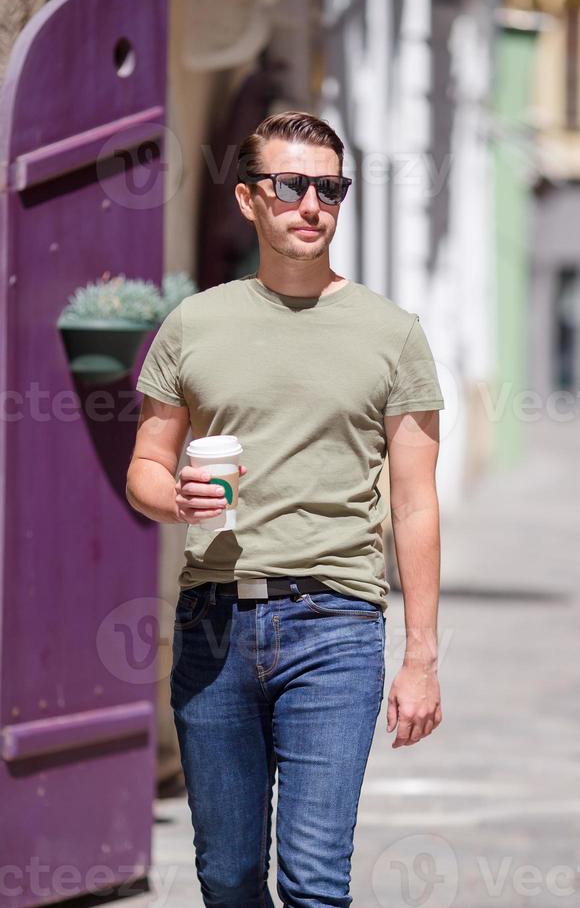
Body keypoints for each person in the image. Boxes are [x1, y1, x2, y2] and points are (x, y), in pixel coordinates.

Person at [126, 110, 445, 908]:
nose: (312, 204)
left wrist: (421, 657)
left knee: (313, 881)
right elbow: (145, 469)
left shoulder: (392, 333)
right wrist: (176, 497)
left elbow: (413, 502)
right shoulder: (195, 324)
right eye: (291, 185)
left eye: (329, 188)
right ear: (247, 198)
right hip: (213, 626)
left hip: (334, 626)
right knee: (228, 878)